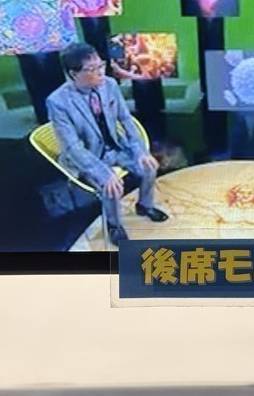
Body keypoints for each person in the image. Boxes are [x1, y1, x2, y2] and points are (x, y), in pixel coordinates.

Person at [46, 43, 168, 245]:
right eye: (92, 69)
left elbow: (126, 119)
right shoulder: (58, 102)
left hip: (116, 147)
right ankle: (114, 224)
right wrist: (104, 173)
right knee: (111, 186)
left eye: (101, 66)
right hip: (87, 156)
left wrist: (140, 151)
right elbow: (73, 148)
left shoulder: (109, 85)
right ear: (74, 74)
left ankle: (145, 205)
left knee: (149, 167)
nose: (100, 72)